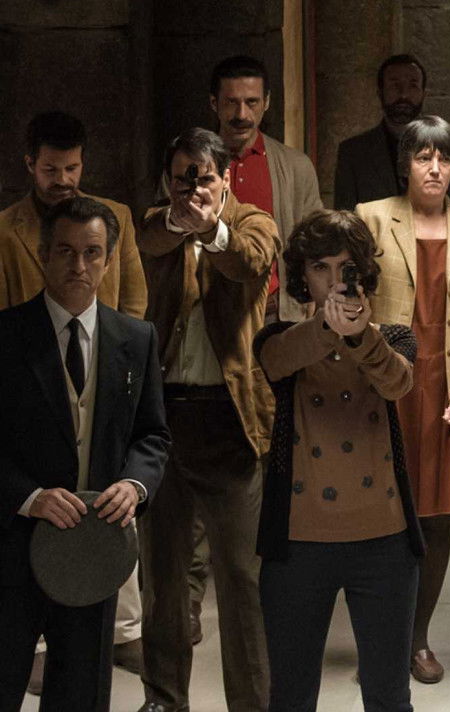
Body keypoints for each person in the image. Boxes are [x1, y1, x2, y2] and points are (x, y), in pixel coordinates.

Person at [0, 111, 150, 693]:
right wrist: (28, 496)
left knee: (82, 686)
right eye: (64, 251)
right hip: (17, 520)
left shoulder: (133, 338)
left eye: (92, 253)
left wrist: (133, 483)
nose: (79, 265)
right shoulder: (8, 238)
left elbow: (152, 434)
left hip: (95, 530)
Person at [255, 210, 423, 712]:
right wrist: (329, 329)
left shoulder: (393, 336)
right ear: (302, 276)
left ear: (363, 273)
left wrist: (359, 334)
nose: (333, 281)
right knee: (291, 697)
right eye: (320, 267)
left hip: (384, 540)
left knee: (389, 697)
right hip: (298, 544)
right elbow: (277, 360)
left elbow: (398, 383)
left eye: (345, 267)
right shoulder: (280, 336)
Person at [136, 128, 278, 712]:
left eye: (204, 178)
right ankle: (164, 699)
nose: (193, 188)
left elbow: (250, 262)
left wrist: (210, 229)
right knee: (163, 579)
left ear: (225, 179)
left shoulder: (253, 221)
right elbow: (146, 239)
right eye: (182, 178)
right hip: (164, 416)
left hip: (229, 419)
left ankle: (252, 704)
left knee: (243, 579)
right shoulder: (159, 222)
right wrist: (179, 222)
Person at [359, 116, 450, 684]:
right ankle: (380, 641)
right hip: (387, 385)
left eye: (444, 158)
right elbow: (354, 300)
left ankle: (417, 640)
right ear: (406, 164)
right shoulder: (370, 217)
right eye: (423, 157)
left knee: (436, 521)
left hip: (447, 390)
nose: (435, 168)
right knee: (382, 518)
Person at [208, 55, 321, 323]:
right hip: (208, 313)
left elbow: (315, 242)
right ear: (214, 103)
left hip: (276, 313)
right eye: (231, 102)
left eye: (252, 102)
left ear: (266, 102)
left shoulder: (295, 166)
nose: (241, 115)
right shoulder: (188, 164)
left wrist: (314, 296)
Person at [0, 111, 146, 317]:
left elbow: (134, 304)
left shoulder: (118, 216)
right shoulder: (4, 230)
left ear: (82, 164)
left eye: (71, 168)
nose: (62, 179)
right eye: (50, 170)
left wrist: (117, 339)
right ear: (30, 164)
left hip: (104, 338)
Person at [335, 53, 450, 210]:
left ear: (424, 94)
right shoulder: (353, 152)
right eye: (394, 85)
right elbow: (343, 218)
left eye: (413, 86)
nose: (403, 94)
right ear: (380, 93)